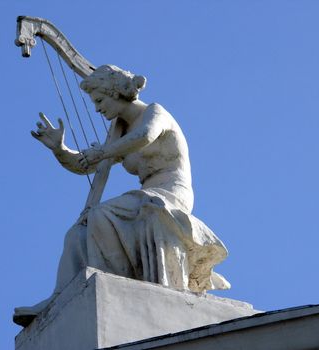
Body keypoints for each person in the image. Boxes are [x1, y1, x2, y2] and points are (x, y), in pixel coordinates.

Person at [13, 65, 229, 326]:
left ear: (115, 92)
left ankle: (116, 281)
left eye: (100, 100)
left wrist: (104, 152)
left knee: (101, 214)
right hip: (145, 190)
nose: (97, 109)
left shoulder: (154, 112)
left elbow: (145, 136)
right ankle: (60, 296)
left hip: (172, 191)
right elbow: (85, 164)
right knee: (75, 234)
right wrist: (59, 149)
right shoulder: (119, 132)